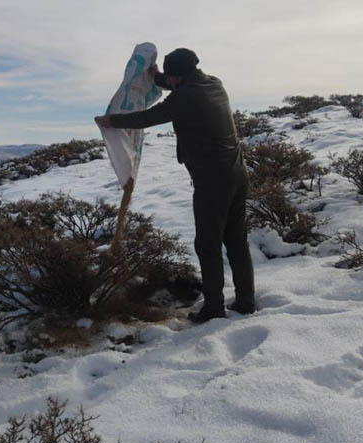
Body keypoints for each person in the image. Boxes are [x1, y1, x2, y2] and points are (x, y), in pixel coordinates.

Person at [95, 48, 255, 323]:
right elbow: (175, 86)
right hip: (237, 173)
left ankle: (214, 307)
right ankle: (245, 301)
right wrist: (156, 76)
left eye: (170, 78)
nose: (168, 83)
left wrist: (111, 121)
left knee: (207, 244)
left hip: (213, 180)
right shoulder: (213, 83)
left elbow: (148, 118)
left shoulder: (185, 97)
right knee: (236, 240)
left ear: (177, 77)